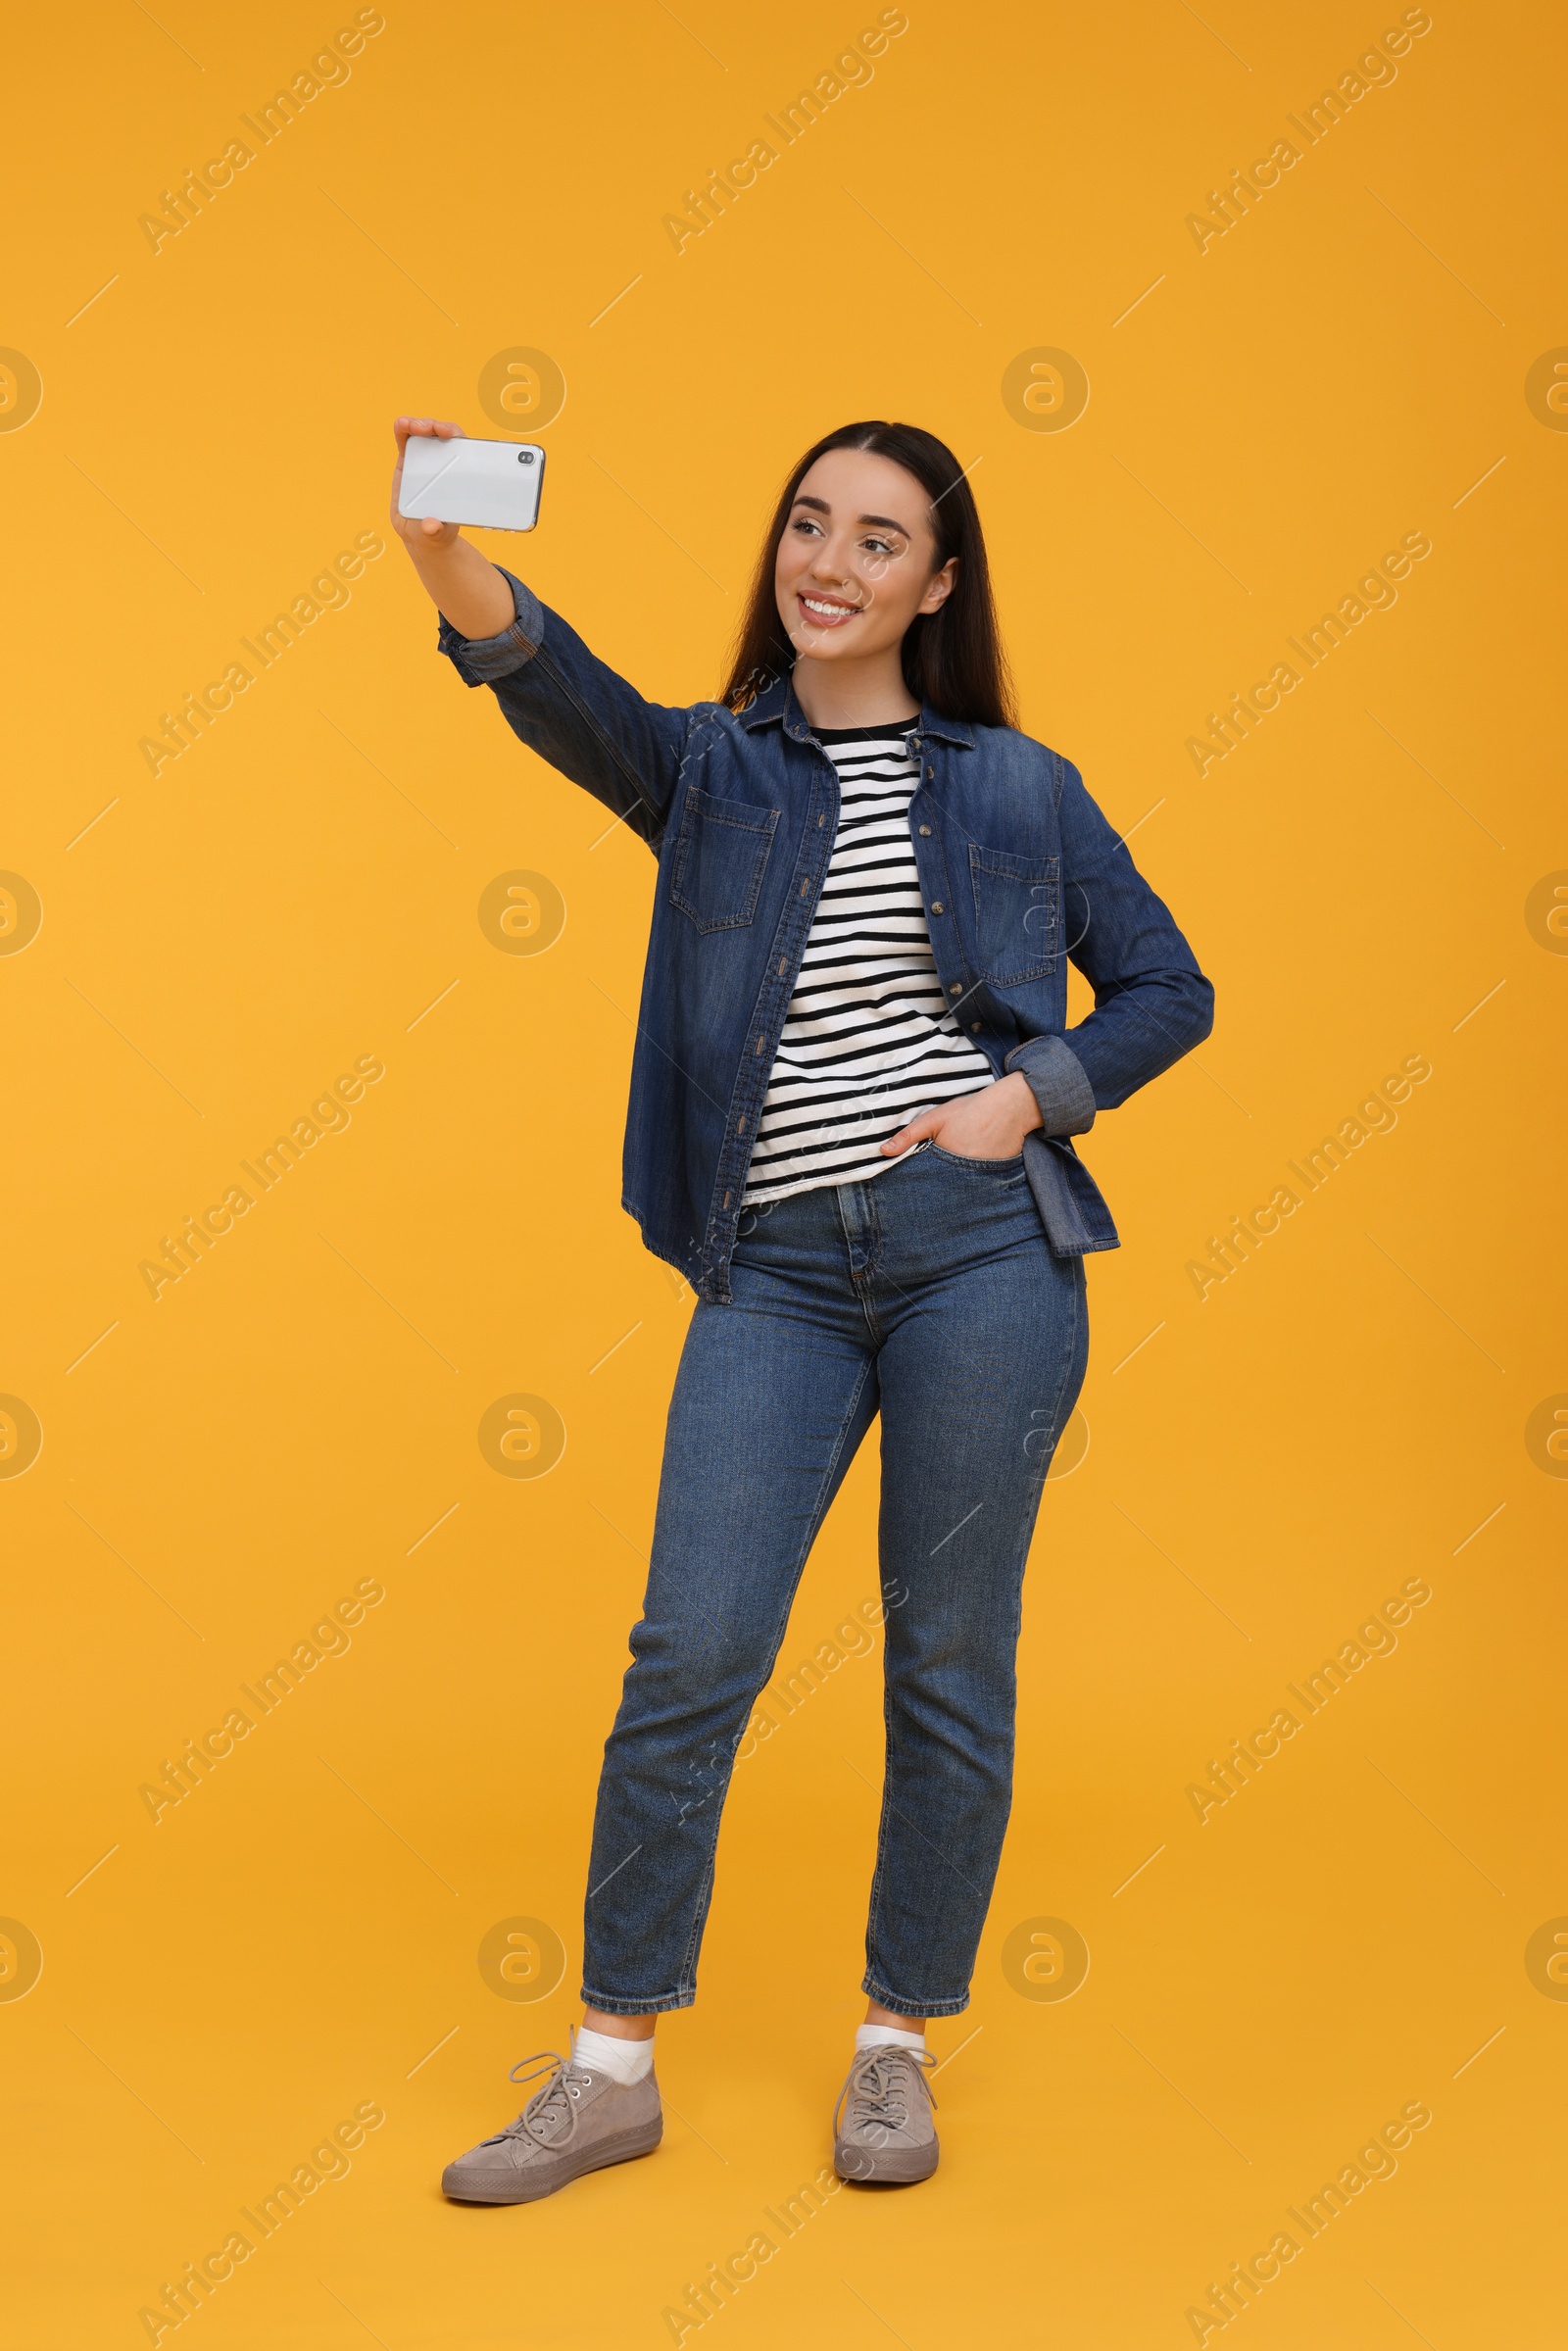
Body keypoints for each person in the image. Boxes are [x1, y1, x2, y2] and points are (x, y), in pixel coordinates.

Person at [390, 415, 1214, 2202]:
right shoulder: (709, 771)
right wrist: (438, 537)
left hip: (981, 1260)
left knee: (946, 1661)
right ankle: (611, 2067)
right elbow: (543, 674)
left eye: (876, 540)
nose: (828, 564)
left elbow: (1169, 985)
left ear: (935, 584)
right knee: (691, 1652)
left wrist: (1031, 1096)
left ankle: (895, 2046)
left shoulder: (1018, 784)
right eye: (806, 525)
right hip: (771, 1268)